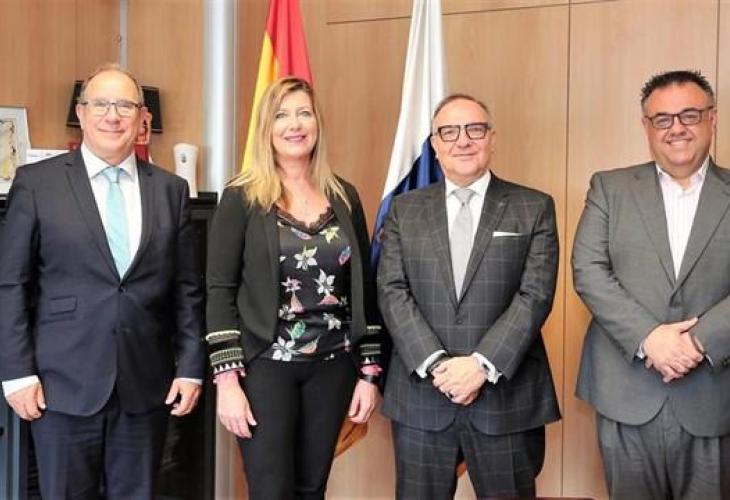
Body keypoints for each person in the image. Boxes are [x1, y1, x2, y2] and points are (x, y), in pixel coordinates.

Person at [0, 63, 205, 499]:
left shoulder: (171, 190)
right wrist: (16, 373)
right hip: (60, 387)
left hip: (146, 388)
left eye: (125, 106)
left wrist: (191, 369)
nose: (113, 116)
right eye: (101, 104)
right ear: (81, 112)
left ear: (142, 118)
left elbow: (187, 290)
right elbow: (10, 285)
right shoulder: (37, 183)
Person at [206, 76, 384, 500]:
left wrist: (369, 373)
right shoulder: (242, 197)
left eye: (304, 113)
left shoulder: (344, 195)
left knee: (312, 488)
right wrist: (227, 383)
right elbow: (219, 288)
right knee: (271, 490)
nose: (295, 124)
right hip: (265, 366)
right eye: (282, 115)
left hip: (334, 366)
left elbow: (363, 289)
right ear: (267, 128)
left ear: (317, 123)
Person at [377, 93, 560, 498]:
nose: (463, 140)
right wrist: (437, 364)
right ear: (435, 145)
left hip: (505, 397)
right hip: (423, 396)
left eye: (475, 129)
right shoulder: (405, 210)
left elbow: (535, 295)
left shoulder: (533, 207)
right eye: (449, 132)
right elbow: (391, 291)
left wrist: (481, 365)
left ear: (492, 138)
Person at [573, 70, 730, 498]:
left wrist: (698, 341)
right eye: (663, 119)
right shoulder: (610, 187)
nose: (676, 128)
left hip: (715, 393)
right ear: (646, 126)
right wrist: (649, 337)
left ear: (712, 118)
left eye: (689, 115)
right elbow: (587, 269)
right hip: (626, 391)